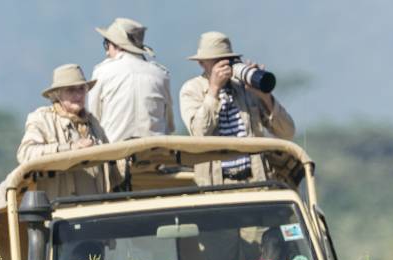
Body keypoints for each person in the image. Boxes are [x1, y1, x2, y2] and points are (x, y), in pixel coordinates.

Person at [179, 32, 295, 186]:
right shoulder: (192, 90)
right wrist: (214, 89)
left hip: (256, 181)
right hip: (216, 184)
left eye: (228, 60)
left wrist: (265, 96)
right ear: (201, 63)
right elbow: (199, 132)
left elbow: (287, 132)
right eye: (217, 61)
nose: (224, 66)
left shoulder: (244, 88)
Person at [17, 64, 110, 198]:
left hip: (96, 209)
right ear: (57, 94)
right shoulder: (42, 119)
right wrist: (70, 148)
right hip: (60, 213)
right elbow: (25, 154)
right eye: (71, 90)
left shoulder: (93, 123)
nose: (78, 95)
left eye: (82, 89)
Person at [88, 18, 175, 142]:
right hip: (156, 155)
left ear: (117, 45)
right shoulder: (161, 74)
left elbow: (93, 120)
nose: (107, 52)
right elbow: (168, 125)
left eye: (106, 44)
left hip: (114, 155)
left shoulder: (101, 73)